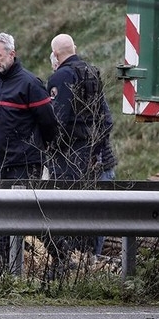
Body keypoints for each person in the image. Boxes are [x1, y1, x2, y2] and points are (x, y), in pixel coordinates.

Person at [0, 32, 57, 272]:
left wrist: (39, 149)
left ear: (12, 54)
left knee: (30, 216)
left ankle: (61, 257)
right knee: (0, 216)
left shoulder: (30, 83)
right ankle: (1, 267)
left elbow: (49, 123)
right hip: (1, 162)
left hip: (25, 162)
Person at [48, 33, 117, 259]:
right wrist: (95, 151)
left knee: (72, 216)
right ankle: (92, 263)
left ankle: (75, 265)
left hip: (74, 162)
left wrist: (54, 152)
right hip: (102, 160)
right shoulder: (92, 73)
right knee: (96, 217)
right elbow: (106, 119)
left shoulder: (61, 77)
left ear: (55, 55)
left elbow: (58, 122)